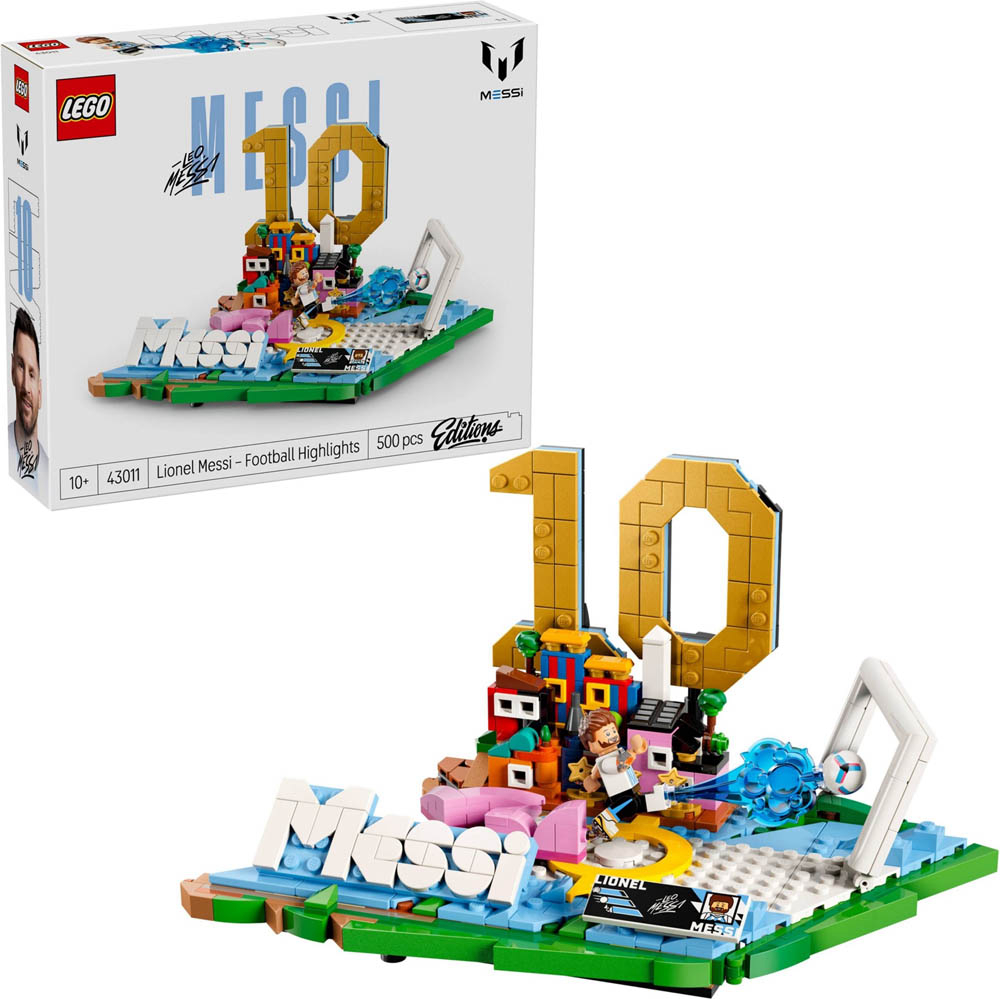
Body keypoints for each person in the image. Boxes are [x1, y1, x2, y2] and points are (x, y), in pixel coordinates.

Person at [9, 307, 47, 495]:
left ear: (40, 391)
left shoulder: (51, 472)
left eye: (32, 374)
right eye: (20, 366)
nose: (25, 386)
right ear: (11, 371)